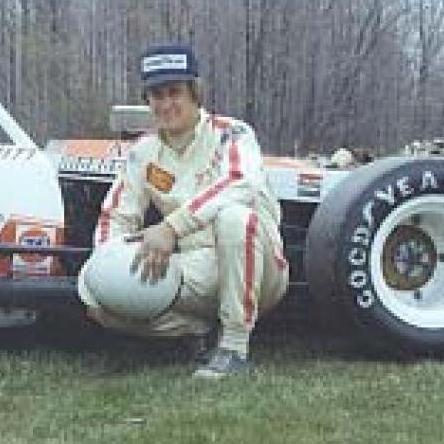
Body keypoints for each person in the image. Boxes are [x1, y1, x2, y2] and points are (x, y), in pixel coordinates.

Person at [78, 43, 289, 378]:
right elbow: (117, 215)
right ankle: (195, 333)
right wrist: (104, 267)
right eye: (156, 95)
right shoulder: (144, 151)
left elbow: (240, 183)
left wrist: (170, 228)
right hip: (194, 268)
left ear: (195, 93)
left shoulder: (232, 133)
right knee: (99, 300)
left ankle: (234, 347)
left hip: (256, 264)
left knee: (234, 218)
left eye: (175, 92)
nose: (166, 104)